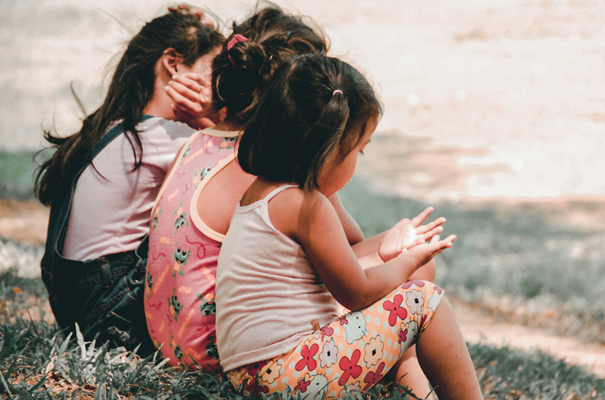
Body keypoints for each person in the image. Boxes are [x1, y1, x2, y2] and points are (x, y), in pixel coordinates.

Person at [147, 9, 440, 396]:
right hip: (224, 351)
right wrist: (401, 258)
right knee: (418, 278)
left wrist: (390, 247)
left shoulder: (200, 142)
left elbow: (341, 247)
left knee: (404, 275)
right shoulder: (270, 168)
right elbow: (349, 259)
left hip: (174, 339)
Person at [216, 53, 484, 400]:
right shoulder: (306, 206)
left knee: (404, 291)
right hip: (287, 375)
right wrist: (406, 262)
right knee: (423, 301)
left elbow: (339, 264)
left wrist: (386, 250)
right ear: (327, 150)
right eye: (360, 150)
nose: (358, 159)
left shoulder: (264, 192)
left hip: (254, 374)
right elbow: (356, 293)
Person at [34, 7, 224, 354]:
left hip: (79, 309)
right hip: (112, 314)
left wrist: (200, 33)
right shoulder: (166, 136)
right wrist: (211, 120)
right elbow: (244, 171)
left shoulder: (113, 127)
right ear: (173, 64)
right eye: (212, 71)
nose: (217, 88)